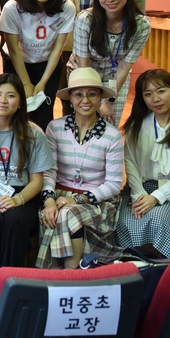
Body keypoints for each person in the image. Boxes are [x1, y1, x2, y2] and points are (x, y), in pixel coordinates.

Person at [0, 74, 54, 274]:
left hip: (23, 193)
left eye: (10, 96)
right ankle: (1, 280)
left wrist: (17, 200)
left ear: (21, 102)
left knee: (15, 221)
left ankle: (10, 279)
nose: (3, 101)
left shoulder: (34, 133)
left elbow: (36, 181)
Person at [37, 68, 124, 269]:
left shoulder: (112, 135)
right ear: (70, 99)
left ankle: (68, 274)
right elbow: (49, 171)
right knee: (57, 213)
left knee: (67, 213)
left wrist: (76, 199)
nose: (85, 99)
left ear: (100, 97)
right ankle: (72, 276)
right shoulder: (55, 128)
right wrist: (49, 200)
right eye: (78, 94)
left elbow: (113, 184)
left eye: (92, 94)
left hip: (97, 202)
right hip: (57, 196)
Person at [117, 69, 170, 257]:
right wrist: (139, 196)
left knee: (157, 218)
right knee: (123, 220)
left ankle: (168, 270)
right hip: (137, 190)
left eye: (161, 91)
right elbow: (130, 163)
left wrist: (156, 197)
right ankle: (135, 269)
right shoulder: (135, 126)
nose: (155, 98)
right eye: (148, 94)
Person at [0, 0, 76, 130]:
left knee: (43, 113)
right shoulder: (12, 8)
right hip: (16, 62)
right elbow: (13, 50)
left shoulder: (66, 7)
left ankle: (42, 152)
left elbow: (58, 49)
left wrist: (42, 83)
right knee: (19, 111)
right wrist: (26, 83)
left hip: (47, 63)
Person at [68, 0, 151, 125]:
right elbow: (83, 66)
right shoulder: (85, 20)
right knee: (85, 121)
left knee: (109, 122)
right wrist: (91, 98)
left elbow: (123, 67)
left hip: (116, 76)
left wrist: (109, 101)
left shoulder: (142, 25)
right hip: (84, 72)